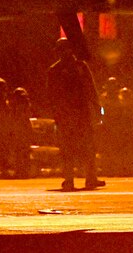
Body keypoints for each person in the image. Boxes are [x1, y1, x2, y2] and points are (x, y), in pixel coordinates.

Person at [46, 38, 104, 191]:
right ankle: (72, 179)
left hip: (79, 114)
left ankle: (88, 178)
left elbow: (90, 88)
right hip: (70, 115)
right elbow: (52, 95)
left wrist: (97, 108)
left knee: (86, 147)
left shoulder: (78, 66)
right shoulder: (59, 69)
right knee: (70, 148)